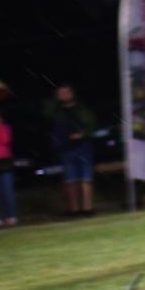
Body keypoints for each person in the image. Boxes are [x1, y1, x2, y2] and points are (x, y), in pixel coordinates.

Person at [47, 84, 96, 216]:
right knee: (70, 181)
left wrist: (82, 134)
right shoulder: (57, 111)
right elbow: (47, 115)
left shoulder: (81, 109)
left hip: (82, 147)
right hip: (65, 149)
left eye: (66, 92)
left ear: (72, 93)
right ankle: (74, 210)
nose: (63, 95)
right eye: (60, 93)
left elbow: (91, 125)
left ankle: (88, 209)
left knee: (86, 179)